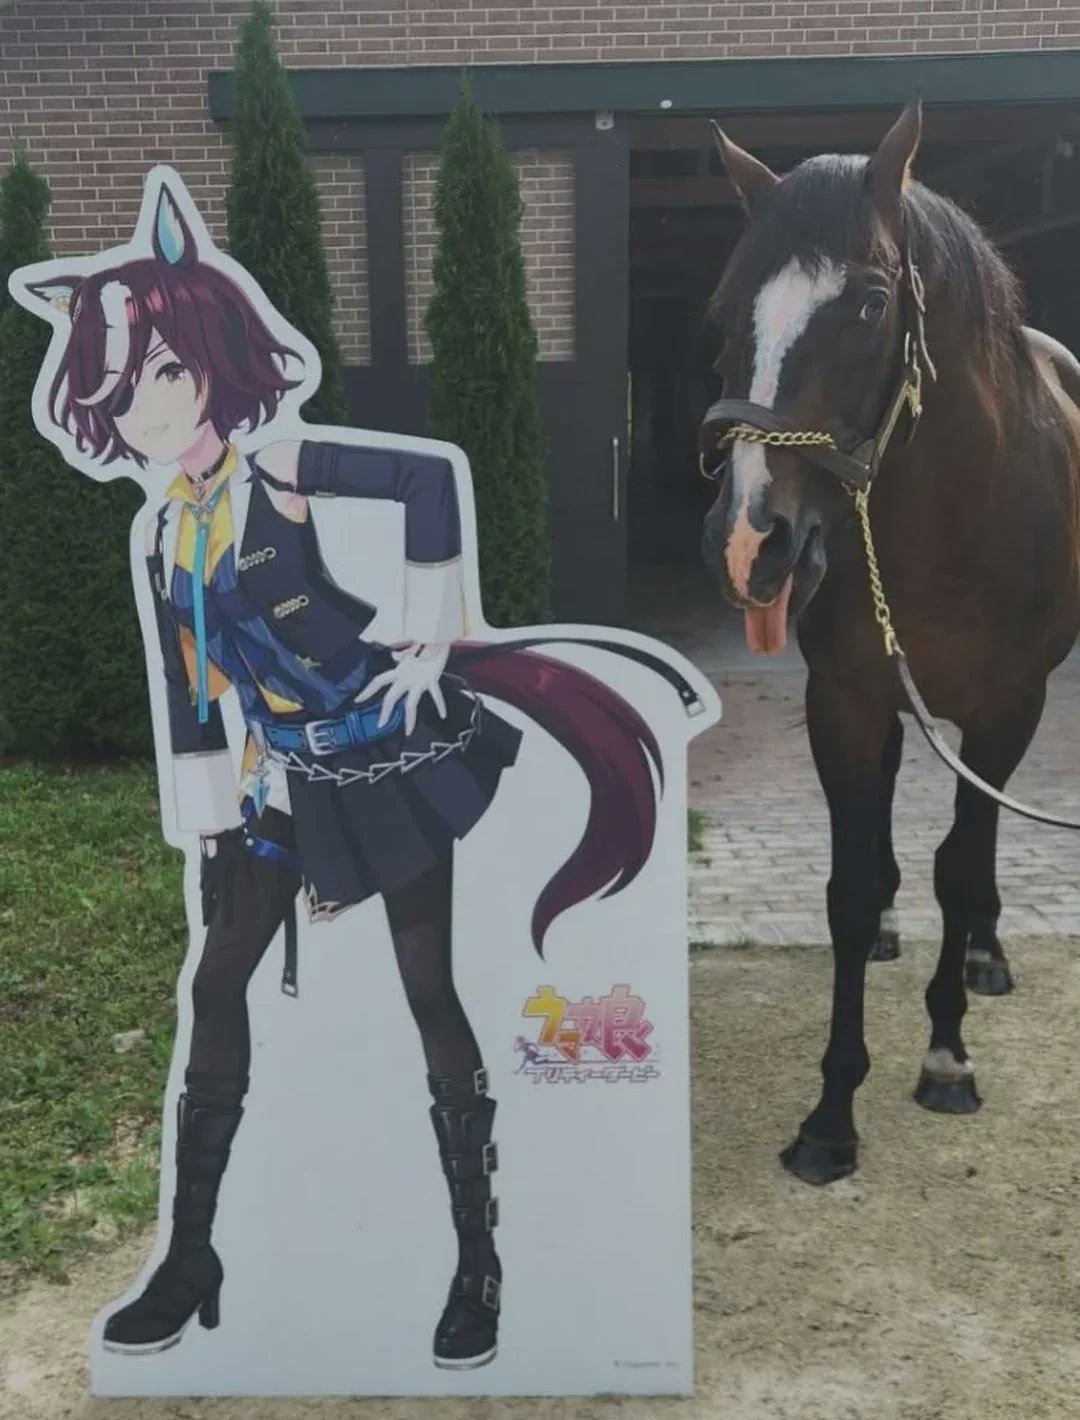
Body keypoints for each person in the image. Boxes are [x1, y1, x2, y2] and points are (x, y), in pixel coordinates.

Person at [18, 182, 690, 1370]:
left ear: (212, 364)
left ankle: (478, 1260)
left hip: (385, 760)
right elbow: (190, 689)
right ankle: (191, 1254)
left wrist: (432, 624)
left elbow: (425, 483)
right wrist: (211, 820)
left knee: (428, 991)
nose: (145, 410)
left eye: (162, 375)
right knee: (215, 982)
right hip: (278, 781)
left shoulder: (280, 466)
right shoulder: (166, 532)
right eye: (120, 396)